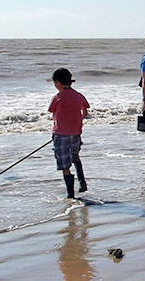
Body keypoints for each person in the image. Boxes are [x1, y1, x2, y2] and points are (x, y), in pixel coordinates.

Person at [48, 68, 90, 199]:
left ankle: (70, 194)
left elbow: (52, 113)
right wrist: (79, 120)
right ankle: (82, 181)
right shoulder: (78, 96)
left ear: (58, 83)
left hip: (60, 135)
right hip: (76, 133)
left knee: (64, 164)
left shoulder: (57, 98)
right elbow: (85, 111)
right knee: (75, 156)